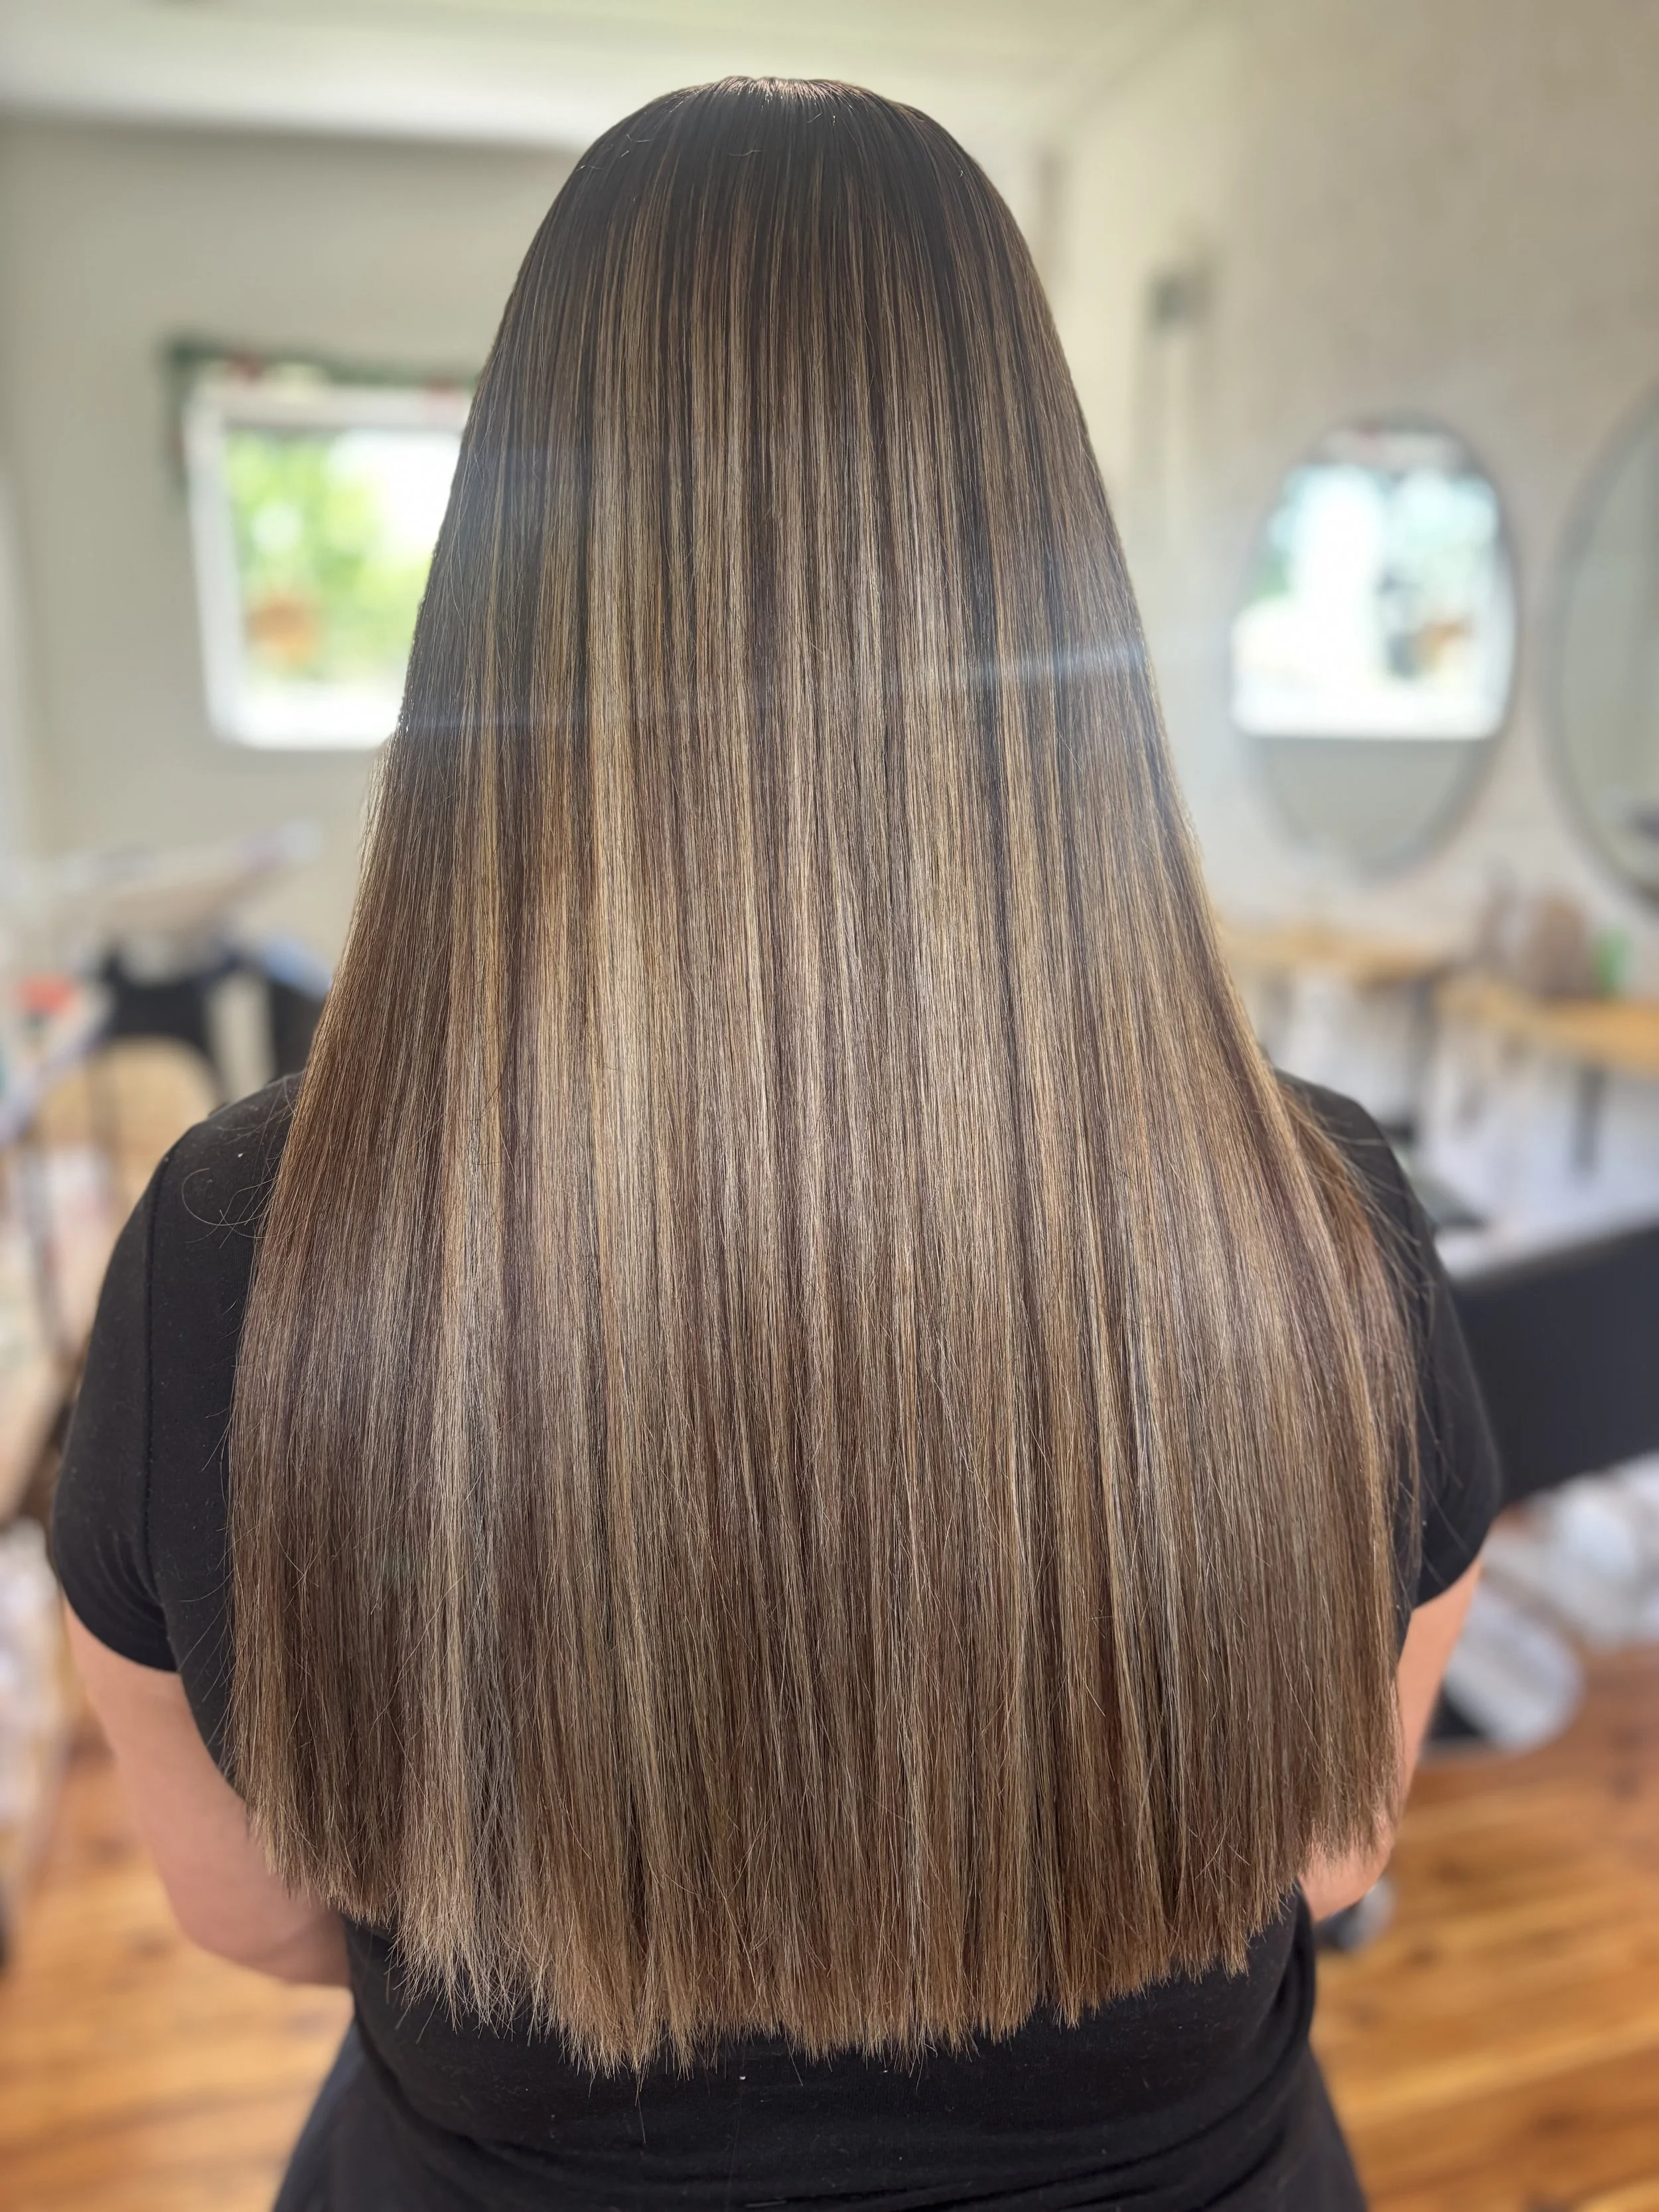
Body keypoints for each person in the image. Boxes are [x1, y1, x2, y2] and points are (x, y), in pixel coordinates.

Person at [51, 77, 1496, 2212]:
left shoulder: (234, 1256)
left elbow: (250, 1915)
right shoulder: (1319, 1231)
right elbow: (1331, 1847)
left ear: (508, 593)